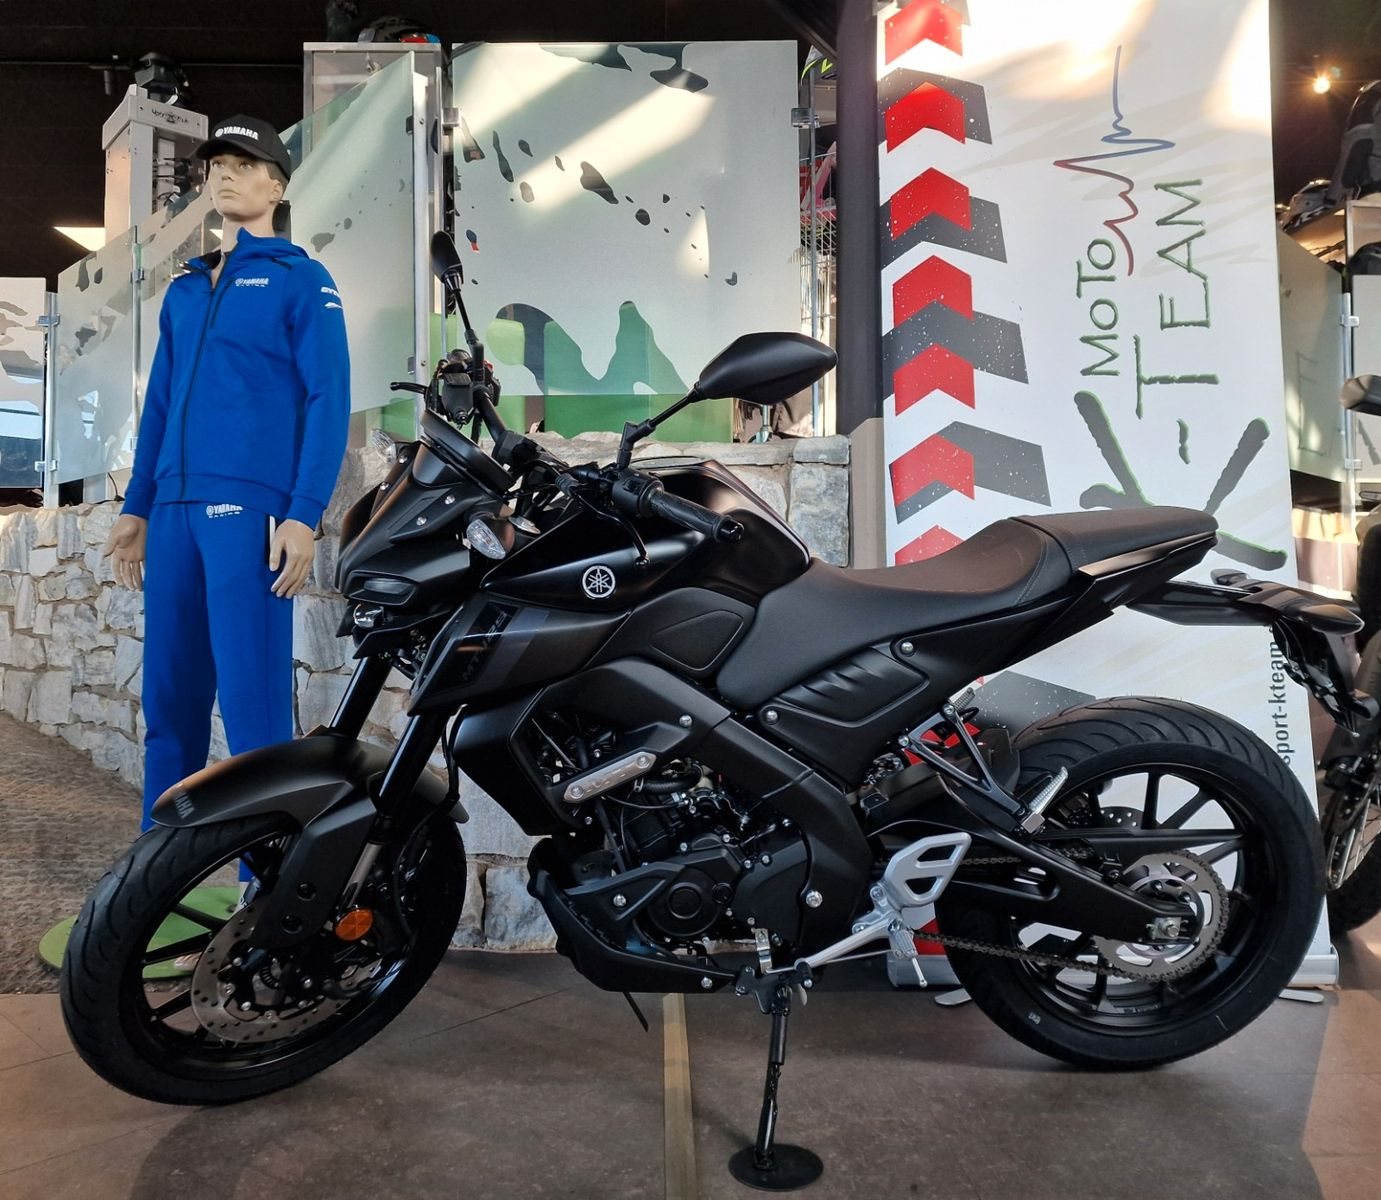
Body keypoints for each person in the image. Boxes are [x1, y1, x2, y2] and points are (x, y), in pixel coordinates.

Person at [102, 114, 351, 830]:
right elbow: (159, 406)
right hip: (173, 515)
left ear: (277, 186)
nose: (225, 178)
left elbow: (329, 398)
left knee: (252, 709)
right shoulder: (185, 291)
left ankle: (259, 878)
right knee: (169, 705)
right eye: (217, 167)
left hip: (248, 515)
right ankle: (158, 866)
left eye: (244, 166)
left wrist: (303, 512)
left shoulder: (301, 280)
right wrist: (137, 506)